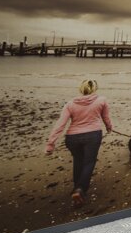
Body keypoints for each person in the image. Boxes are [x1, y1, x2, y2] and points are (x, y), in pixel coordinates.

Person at [46, 78, 113, 206]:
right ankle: (80, 189)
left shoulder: (70, 104)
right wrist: (109, 127)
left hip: (72, 138)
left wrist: (51, 143)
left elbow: (61, 124)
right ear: (95, 89)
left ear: (81, 89)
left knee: (78, 161)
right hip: (92, 135)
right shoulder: (102, 100)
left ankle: (76, 189)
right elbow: (106, 117)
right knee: (89, 162)